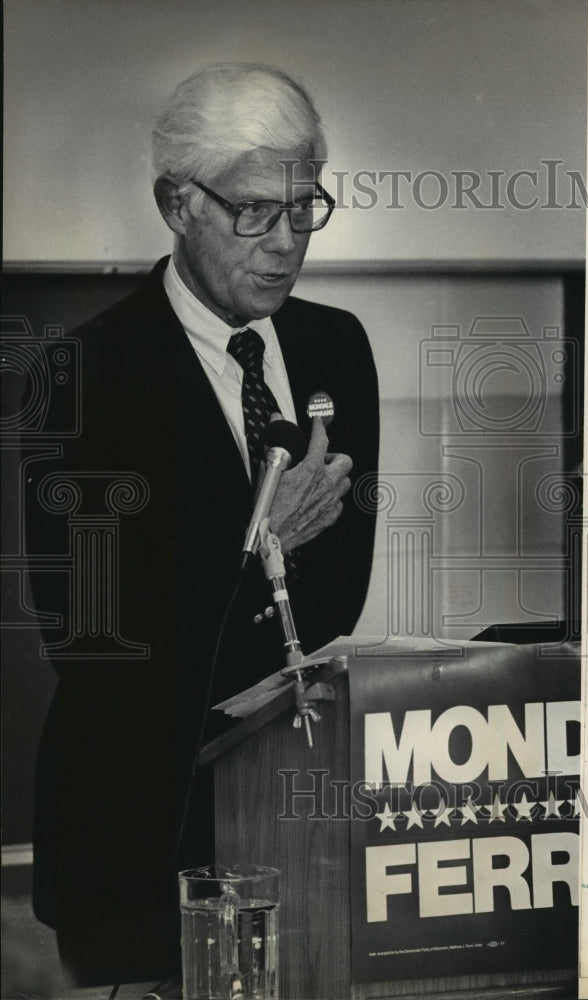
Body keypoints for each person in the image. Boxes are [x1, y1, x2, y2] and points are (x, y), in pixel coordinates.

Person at [25, 63, 379, 986]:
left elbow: (337, 609)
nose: (287, 243)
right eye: (254, 211)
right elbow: (92, 642)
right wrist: (260, 549)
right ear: (176, 203)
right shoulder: (82, 375)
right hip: (136, 855)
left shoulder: (339, 346)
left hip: (303, 834)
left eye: (305, 208)